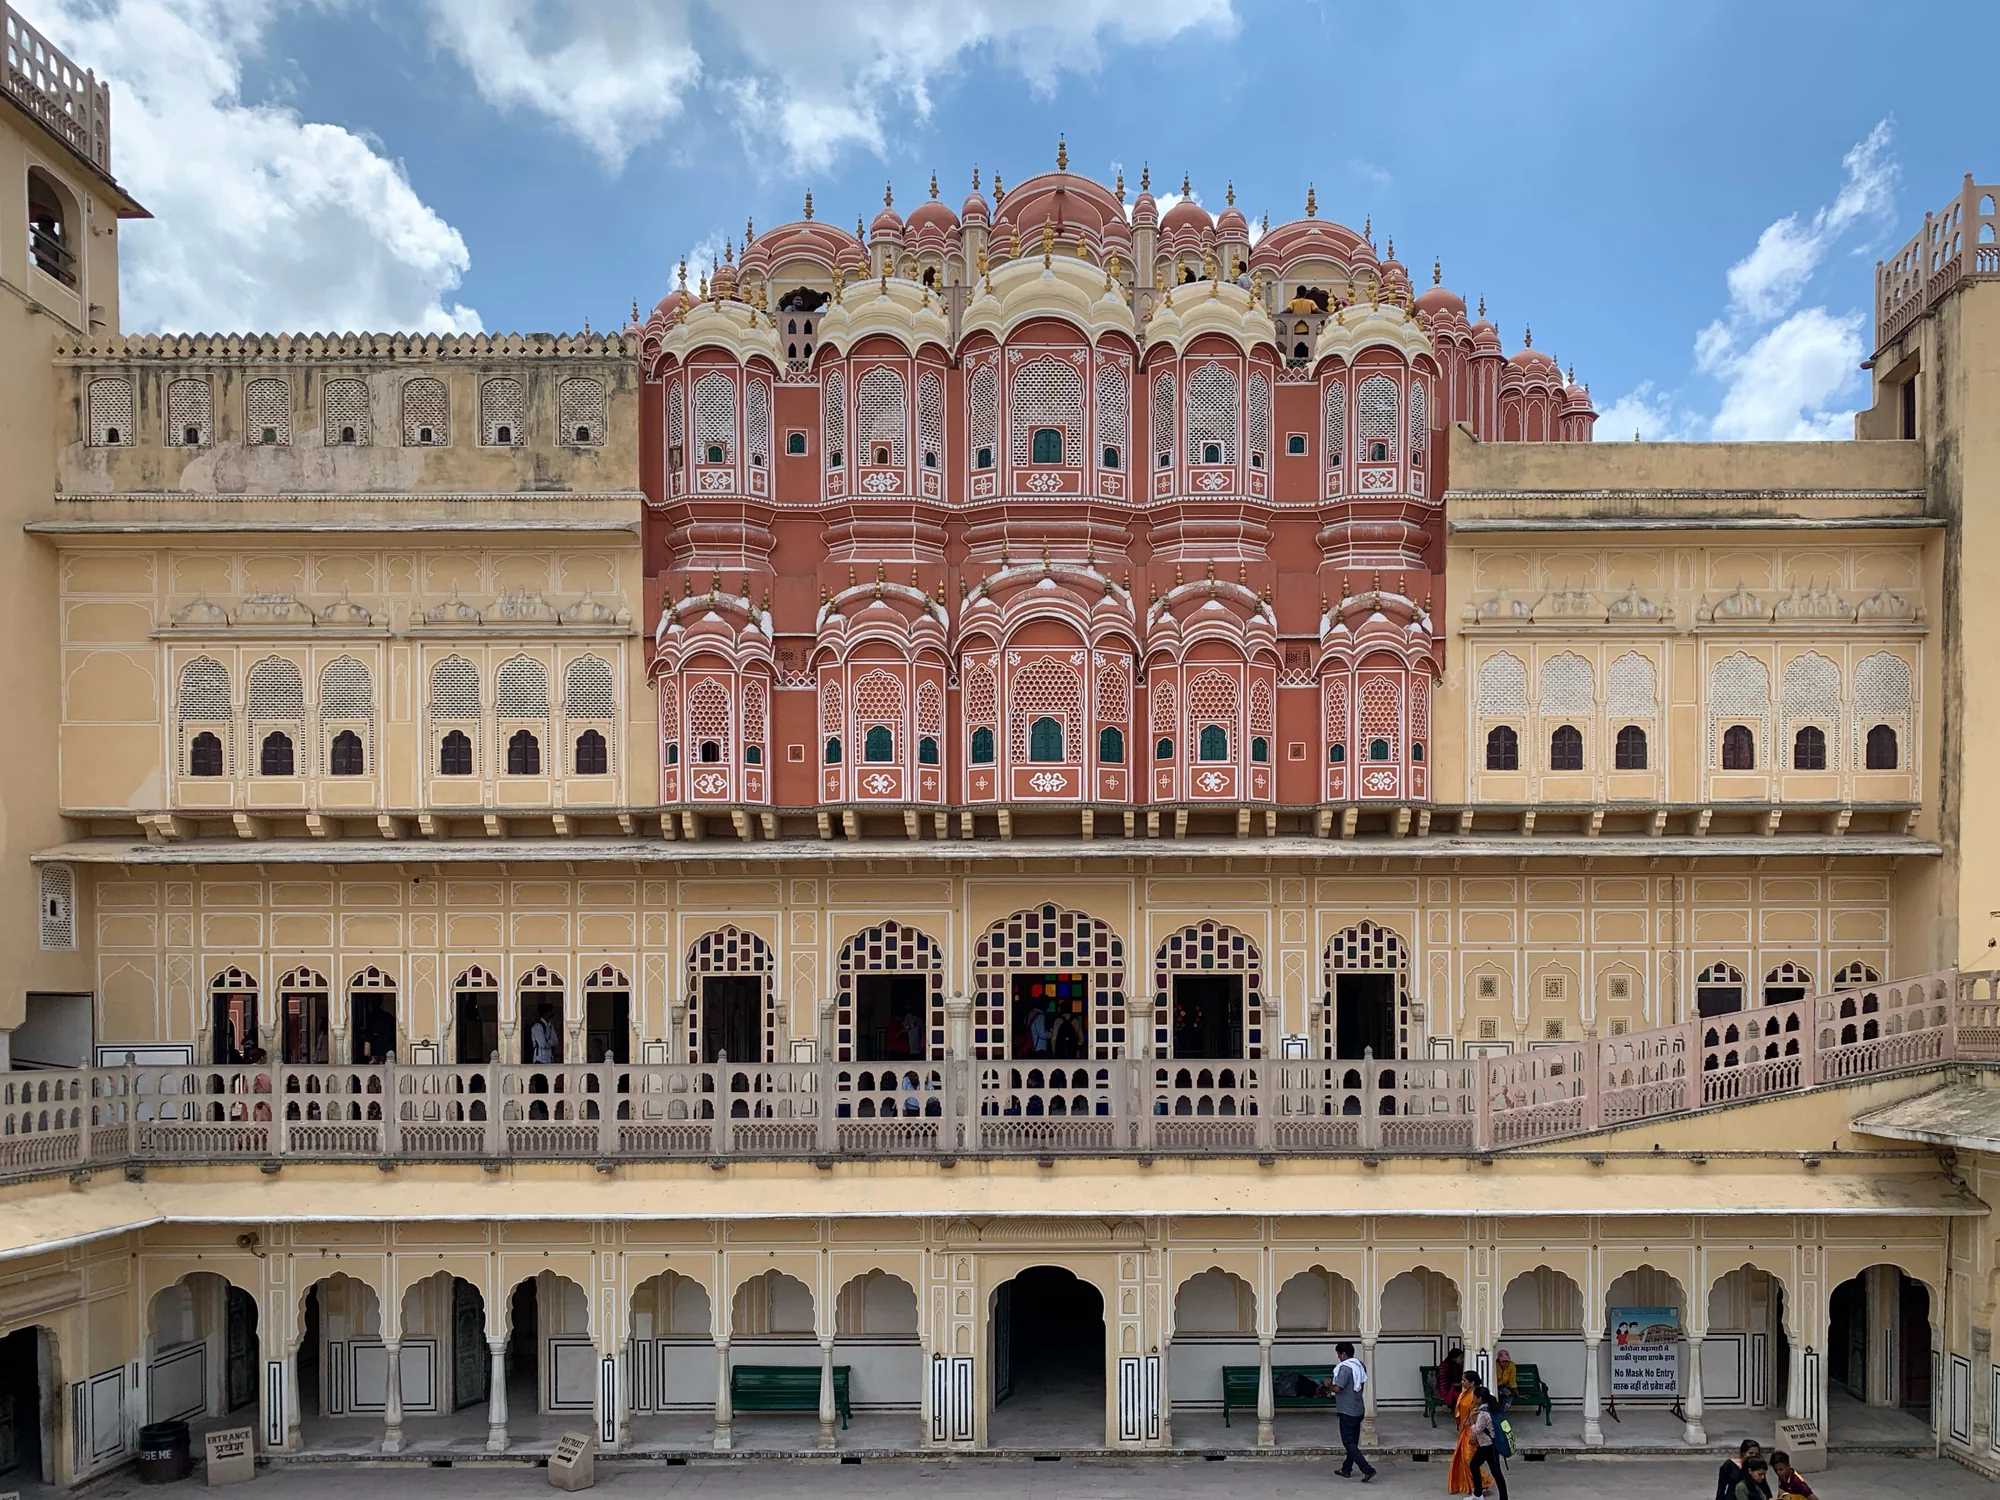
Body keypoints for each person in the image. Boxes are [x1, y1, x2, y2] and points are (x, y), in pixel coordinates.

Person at [1330, 1340, 1374, 1481]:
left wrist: (1327, 1384)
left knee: (1348, 1443)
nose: (1338, 1357)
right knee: (1352, 1442)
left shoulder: (1345, 1368)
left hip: (1347, 1410)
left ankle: (1367, 1469)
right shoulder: (1359, 1365)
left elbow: (1338, 1388)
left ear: (1343, 1353)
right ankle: (1346, 1469)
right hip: (1358, 1408)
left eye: (1338, 1354)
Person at [1466, 1386, 1508, 1500]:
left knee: (1492, 1471)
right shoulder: (1492, 1408)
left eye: (1474, 1397)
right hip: (1491, 1444)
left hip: (1487, 1446)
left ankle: (1479, 1494)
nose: (1473, 1399)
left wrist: (1471, 1418)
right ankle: (1479, 1494)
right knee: (1479, 1466)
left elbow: (1477, 1429)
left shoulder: (1483, 1413)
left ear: (1479, 1399)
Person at [1447, 1371, 1479, 1495]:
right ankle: (1468, 1484)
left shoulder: (1476, 1396)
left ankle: (1482, 1483)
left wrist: (1475, 1432)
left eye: (1464, 1380)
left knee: (1468, 1458)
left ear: (1472, 1383)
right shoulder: (1464, 1393)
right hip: (1463, 1429)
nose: (1462, 1382)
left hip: (1472, 1430)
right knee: (1462, 1457)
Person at [1492, 1347, 1518, 1420]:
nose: (1505, 1364)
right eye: (1503, 1361)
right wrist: (1499, 1392)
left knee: (1508, 1396)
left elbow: (1512, 1380)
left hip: (1504, 1386)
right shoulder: (1494, 1366)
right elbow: (1492, 1382)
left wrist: (1517, 1393)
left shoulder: (1511, 1366)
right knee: (1496, 1397)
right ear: (1498, 1361)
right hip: (1494, 1386)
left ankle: (1501, 1416)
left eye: (1507, 1361)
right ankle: (1496, 1416)